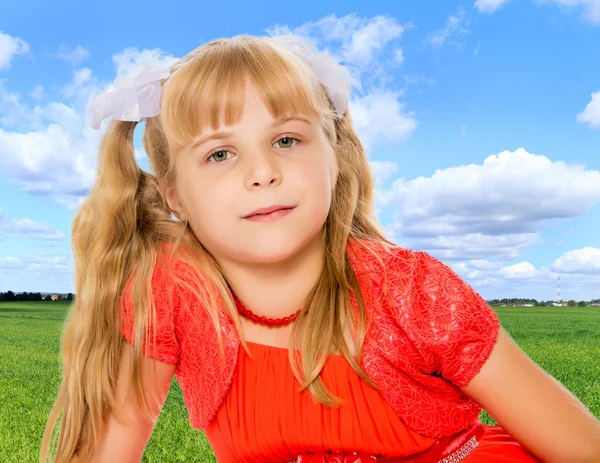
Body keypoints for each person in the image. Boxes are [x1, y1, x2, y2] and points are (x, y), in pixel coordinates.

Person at [40, 34, 600, 463]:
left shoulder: (414, 291)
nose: (262, 173)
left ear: (334, 156)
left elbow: (580, 446)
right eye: (219, 154)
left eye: (287, 140)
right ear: (174, 195)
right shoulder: (175, 295)